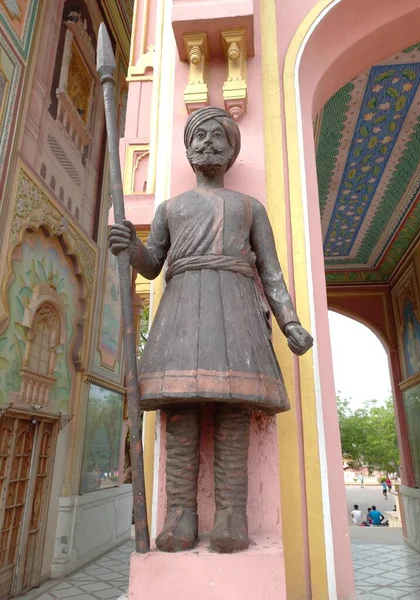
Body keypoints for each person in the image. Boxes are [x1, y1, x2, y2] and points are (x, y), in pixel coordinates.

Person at [108, 107, 313, 553]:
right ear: (186, 149)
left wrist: (290, 322)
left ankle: (231, 515)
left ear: (232, 151)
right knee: (179, 408)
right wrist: (132, 246)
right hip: (182, 310)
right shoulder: (169, 208)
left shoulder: (249, 208)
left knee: (233, 409)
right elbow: (151, 265)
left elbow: (272, 273)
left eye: (217, 137)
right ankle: (179, 514)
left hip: (235, 308)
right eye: (198, 137)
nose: (206, 143)